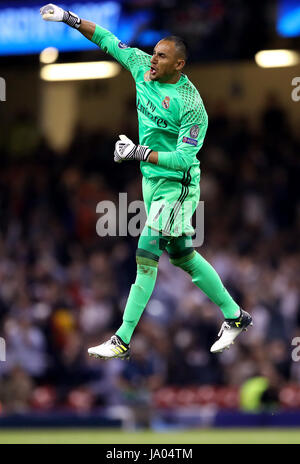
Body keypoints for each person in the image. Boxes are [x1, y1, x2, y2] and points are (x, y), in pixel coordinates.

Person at [40, 4, 253, 358]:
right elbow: (107, 40)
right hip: (152, 182)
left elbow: (186, 158)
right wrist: (69, 19)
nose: (152, 60)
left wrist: (138, 153)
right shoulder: (140, 66)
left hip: (177, 184)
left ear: (179, 65)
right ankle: (235, 315)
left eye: (161, 56)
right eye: (154, 53)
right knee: (183, 255)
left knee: (145, 254)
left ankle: (122, 338)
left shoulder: (190, 105)